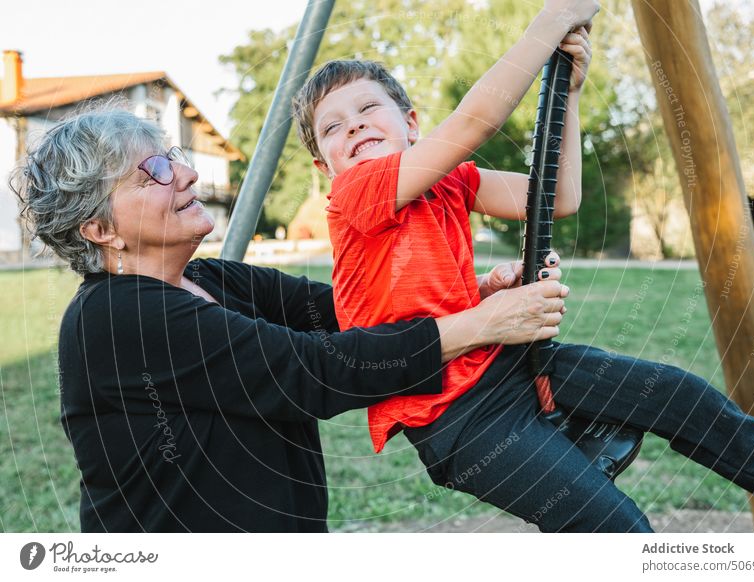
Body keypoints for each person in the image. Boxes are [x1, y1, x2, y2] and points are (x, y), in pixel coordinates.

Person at [291, 0, 754, 532]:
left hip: (512, 365)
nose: (353, 127)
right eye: (333, 127)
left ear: (411, 123)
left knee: (681, 396)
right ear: (324, 167)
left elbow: (556, 197)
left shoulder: (449, 182)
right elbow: (477, 122)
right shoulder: (356, 192)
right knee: (613, 529)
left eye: (368, 109)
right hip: (459, 422)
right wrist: (549, 22)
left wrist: (571, 94)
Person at [10, 108, 568, 532]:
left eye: (174, 157)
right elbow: (313, 373)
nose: (183, 174)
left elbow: (356, 313)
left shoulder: (213, 280)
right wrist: (483, 324)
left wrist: (478, 295)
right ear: (100, 231)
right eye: (152, 171)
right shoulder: (113, 318)